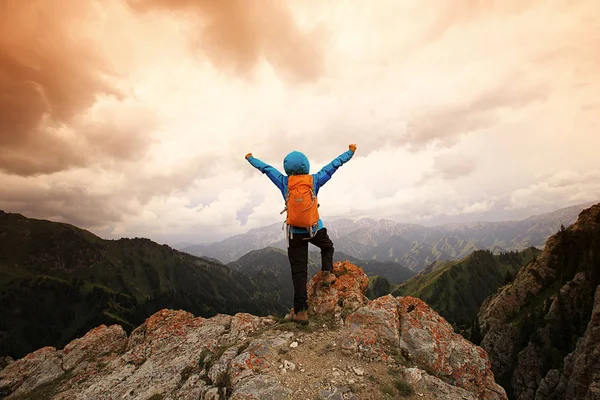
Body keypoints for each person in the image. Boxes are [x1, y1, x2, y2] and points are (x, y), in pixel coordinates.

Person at [245, 144, 356, 324]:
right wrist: (350, 152)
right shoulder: (315, 180)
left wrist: (251, 158)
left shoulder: (284, 182)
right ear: (306, 166)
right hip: (314, 229)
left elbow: (265, 169)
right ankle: (327, 274)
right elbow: (334, 165)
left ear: (287, 168)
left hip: (294, 234)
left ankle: (301, 312)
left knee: (299, 272)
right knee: (327, 246)